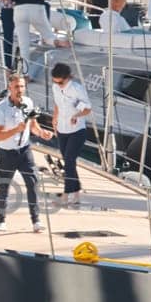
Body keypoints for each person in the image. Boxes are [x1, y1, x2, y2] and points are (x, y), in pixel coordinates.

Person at [0, 71, 53, 233]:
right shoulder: (1, 109)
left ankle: (36, 220)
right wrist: (15, 129)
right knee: (4, 186)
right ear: (9, 88)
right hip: (7, 152)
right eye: (17, 86)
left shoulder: (28, 102)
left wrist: (42, 133)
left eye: (22, 86)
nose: (20, 89)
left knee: (33, 183)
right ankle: (1, 220)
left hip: (25, 150)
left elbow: (33, 125)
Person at [50, 61, 92, 205]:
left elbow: (87, 109)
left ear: (68, 78)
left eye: (61, 82)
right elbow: (57, 103)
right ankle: (76, 193)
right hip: (62, 129)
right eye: (55, 82)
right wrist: (54, 119)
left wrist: (76, 116)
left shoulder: (76, 89)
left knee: (68, 161)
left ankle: (66, 196)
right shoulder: (55, 87)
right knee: (69, 163)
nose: (58, 84)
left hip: (76, 130)